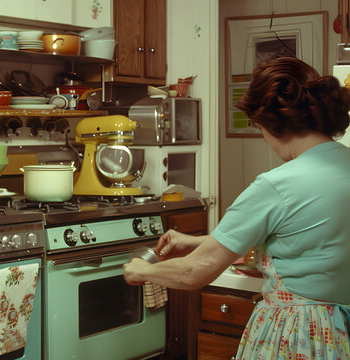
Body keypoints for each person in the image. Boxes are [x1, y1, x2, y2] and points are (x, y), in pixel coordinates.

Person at [123, 56, 350, 359]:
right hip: (340, 331)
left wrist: (142, 270)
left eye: (260, 128)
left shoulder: (275, 185)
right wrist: (197, 242)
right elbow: (306, 239)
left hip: (297, 334)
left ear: (273, 122)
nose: (264, 139)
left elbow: (194, 273)